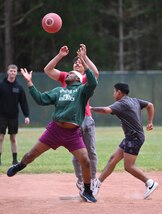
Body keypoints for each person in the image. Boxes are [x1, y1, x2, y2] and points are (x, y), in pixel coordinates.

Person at [6, 52, 98, 203]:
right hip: (54, 131)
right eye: (68, 73)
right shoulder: (59, 91)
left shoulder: (82, 91)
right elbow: (41, 99)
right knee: (30, 155)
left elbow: (93, 81)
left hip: (72, 134)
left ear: (78, 79)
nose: (68, 74)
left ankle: (87, 191)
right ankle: (19, 166)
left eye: (71, 73)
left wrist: (85, 62)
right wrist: (29, 83)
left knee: (86, 161)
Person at [43, 44, 99, 193]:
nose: (77, 63)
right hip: (72, 121)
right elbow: (47, 70)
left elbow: (95, 73)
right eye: (75, 62)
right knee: (77, 153)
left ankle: (92, 180)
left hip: (86, 118)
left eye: (79, 62)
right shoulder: (67, 77)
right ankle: (81, 180)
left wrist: (84, 57)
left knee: (91, 151)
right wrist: (60, 55)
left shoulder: (86, 78)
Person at [90, 83, 159, 199]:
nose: (113, 94)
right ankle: (97, 184)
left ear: (119, 92)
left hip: (134, 138)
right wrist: (150, 121)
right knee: (113, 159)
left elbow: (106, 110)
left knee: (129, 166)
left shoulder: (121, 103)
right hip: (131, 137)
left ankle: (150, 183)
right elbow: (150, 105)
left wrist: (90, 108)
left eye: (114, 92)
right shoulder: (134, 100)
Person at [0, 64, 30, 166]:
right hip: (2, 116)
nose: (12, 73)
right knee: (0, 137)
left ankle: (15, 160)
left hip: (13, 117)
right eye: (11, 71)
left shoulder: (19, 88)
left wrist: (26, 115)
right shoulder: (0, 86)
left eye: (14, 71)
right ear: (8, 72)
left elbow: (23, 102)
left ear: (16, 73)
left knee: (13, 138)